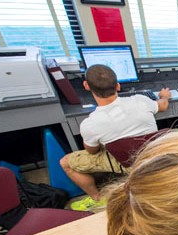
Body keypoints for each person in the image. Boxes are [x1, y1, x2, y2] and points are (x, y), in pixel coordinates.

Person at [59, 64, 171, 211]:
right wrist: (164, 96)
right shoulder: (140, 100)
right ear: (118, 86)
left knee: (65, 162)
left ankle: (97, 199)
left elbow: (92, 152)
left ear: (86, 85)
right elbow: (162, 106)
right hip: (153, 155)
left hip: (126, 163)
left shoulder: (90, 124)